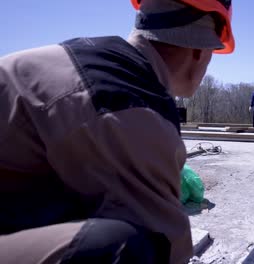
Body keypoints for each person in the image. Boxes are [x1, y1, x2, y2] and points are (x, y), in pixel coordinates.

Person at [0, 0, 234, 263]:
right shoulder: (133, 106)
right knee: (131, 248)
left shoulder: (90, 59)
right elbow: (170, 246)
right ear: (200, 50)